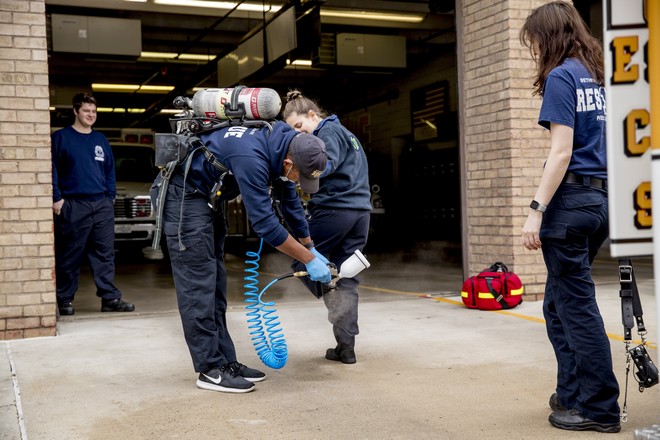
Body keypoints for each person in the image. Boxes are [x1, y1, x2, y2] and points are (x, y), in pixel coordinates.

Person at [151, 120, 332, 394]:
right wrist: (308, 259)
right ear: (287, 163)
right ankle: (209, 370)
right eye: (300, 176)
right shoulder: (251, 156)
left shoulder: (284, 141)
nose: (300, 182)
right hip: (184, 199)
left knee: (216, 286)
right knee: (197, 286)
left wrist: (311, 246)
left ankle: (226, 363)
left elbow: (290, 201)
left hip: (208, 200)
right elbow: (266, 225)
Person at [520, 2, 620, 433]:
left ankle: (598, 408)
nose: (535, 49)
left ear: (549, 36)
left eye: (535, 40)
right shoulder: (597, 75)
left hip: (571, 202)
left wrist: (536, 211)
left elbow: (561, 152)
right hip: (601, 202)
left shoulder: (562, 76)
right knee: (558, 304)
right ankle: (571, 393)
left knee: (575, 308)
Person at [282, 90, 371, 364]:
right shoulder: (347, 133)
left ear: (313, 116)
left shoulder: (328, 132)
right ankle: (346, 348)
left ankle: (330, 283)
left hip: (334, 209)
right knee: (348, 279)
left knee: (303, 260)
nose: (301, 135)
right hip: (360, 213)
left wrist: (294, 171)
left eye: (300, 126)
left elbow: (324, 164)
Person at [51, 93, 135, 316]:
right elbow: (52, 169)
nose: (90, 115)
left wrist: (110, 197)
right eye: (86, 110)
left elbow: (109, 171)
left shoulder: (100, 140)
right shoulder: (61, 138)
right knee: (71, 254)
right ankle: (64, 299)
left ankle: (110, 298)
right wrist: (57, 197)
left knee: (105, 254)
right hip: (73, 205)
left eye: (94, 111)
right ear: (76, 111)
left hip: (101, 205)